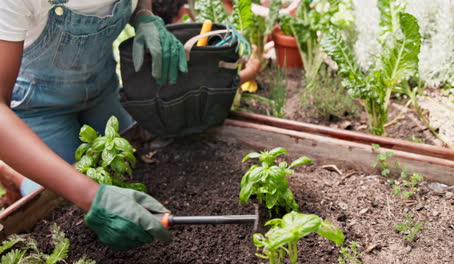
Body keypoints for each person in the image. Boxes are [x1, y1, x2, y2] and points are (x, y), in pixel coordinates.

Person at [0, 0, 260, 251]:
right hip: (38, 104)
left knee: (129, 168)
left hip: (102, 86)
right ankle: (13, 175)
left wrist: (144, 16)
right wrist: (90, 195)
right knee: (55, 204)